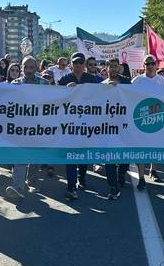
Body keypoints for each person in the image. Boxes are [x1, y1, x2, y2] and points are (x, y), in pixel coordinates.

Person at [58, 52, 101, 200]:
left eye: (80, 63)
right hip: (69, 125)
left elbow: (102, 94)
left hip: (86, 124)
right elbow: (55, 99)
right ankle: (71, 187)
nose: (78, 65)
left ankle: (81, 177)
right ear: (71, 64)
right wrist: (65, 91)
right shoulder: (65, 79)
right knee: (70, 155)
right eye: (75, 62)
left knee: (83, 154)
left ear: (84, 65)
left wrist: (113, 86)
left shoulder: (91, 79)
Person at [7, 56, 51, 199]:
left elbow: (53, 102)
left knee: (35, 157)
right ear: (22, 67)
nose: (28, 70)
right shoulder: (15, 84)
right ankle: (17, 187)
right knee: (19, 156)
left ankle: (31, 181)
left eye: (32, 67)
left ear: (37, 67)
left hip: (39, 128)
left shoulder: (45, 84)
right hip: (20, 128)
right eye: (26, 67)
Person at [132, 54, 164, 184]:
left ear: (156, 64)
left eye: (152, 63)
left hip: (157, 118)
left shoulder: (163, 81)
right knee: (140, 148)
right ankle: (141, 177)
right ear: (144, 66)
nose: (150, 66)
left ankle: (153, 170)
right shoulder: (137, 81)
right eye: (147, 64)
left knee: (155, 146)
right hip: (140, 118)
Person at [102, 58, 132, 199]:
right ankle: (113, 187)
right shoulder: (101, 85)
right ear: (106, 68)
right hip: (108, 126)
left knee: (124, 153)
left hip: (124, 125)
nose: (113, 69)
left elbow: (133, 97)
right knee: (109, 157)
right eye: (110, 66)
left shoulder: (126, 82)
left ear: (119, 68)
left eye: (115, 66)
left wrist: (119, 89)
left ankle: (122, 172)